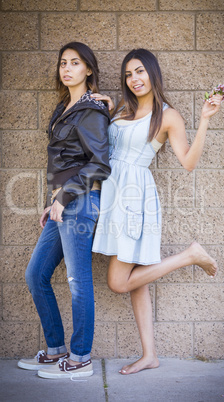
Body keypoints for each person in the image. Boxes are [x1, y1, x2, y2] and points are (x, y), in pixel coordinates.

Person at [92, 48, 222, 375]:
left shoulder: (168, 116)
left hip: (134, 199)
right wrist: (105, 110)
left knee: (119, 282)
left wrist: (204, 120)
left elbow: (188, 162)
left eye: (139, 71)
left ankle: (189, 255)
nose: (134, 79)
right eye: (128, 74)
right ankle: (150, 355)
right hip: (112, 195)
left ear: (152, 72)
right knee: (137, 281)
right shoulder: (123, 108)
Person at [17, 42, 111, 379]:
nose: (67, 68)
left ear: (88, 69)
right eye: (63, 63)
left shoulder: (92, 110)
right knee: (36, 274)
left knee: (77, 281)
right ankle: (56, 348)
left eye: (75, 63)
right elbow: (66, 161)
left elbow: (99, 165)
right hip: (62, 204)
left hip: (79, 203)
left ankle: (81, 357)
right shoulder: (64, 108)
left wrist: (64, 197)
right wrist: (53, 200)